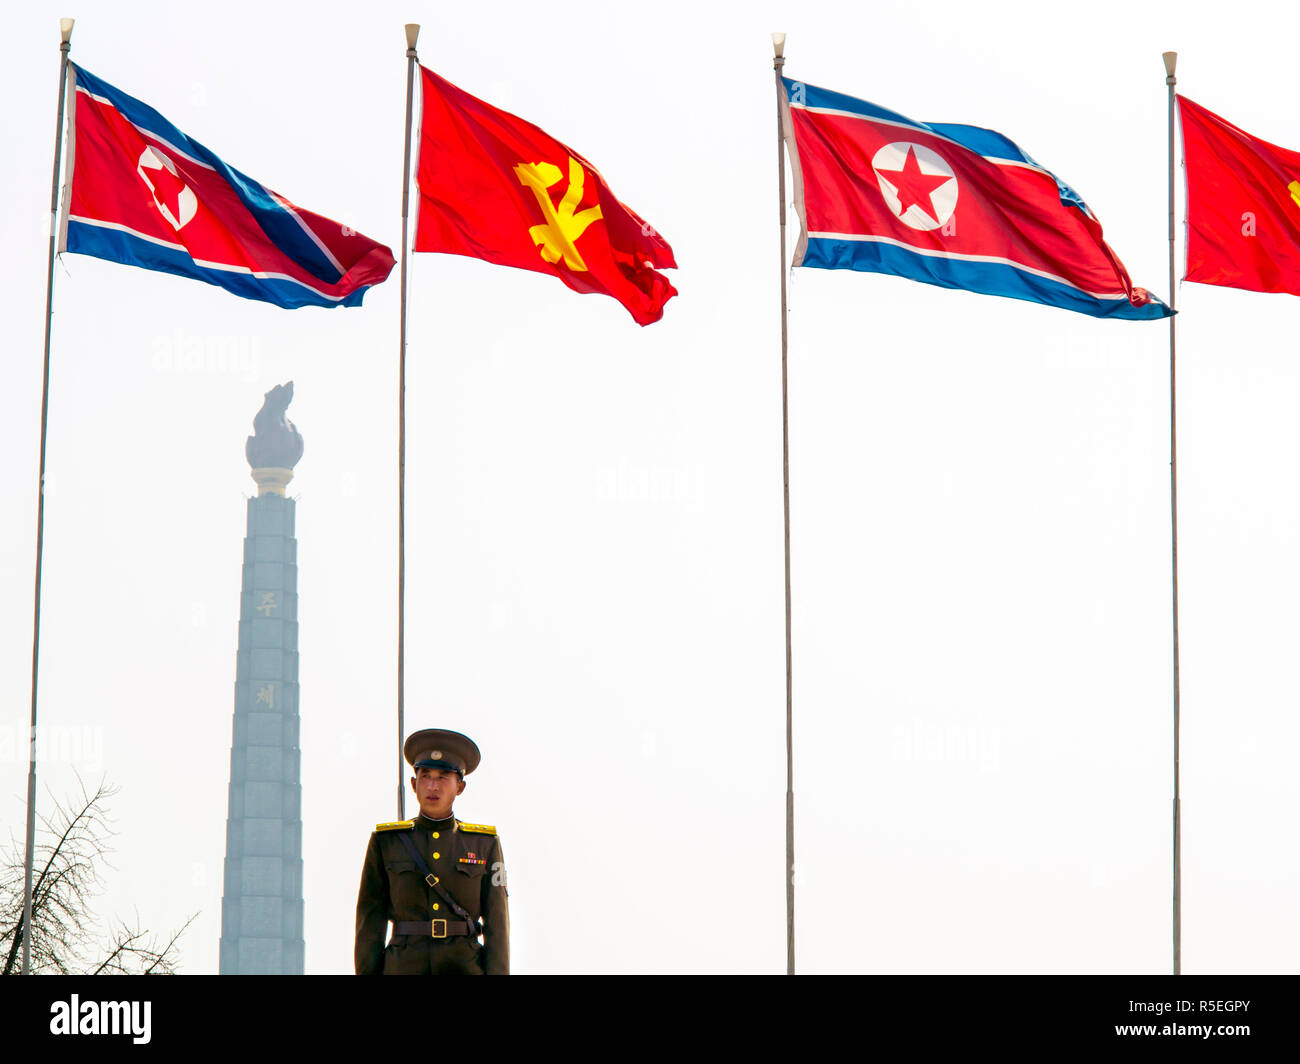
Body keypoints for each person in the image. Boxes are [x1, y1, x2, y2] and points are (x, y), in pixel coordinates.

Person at [354, 728, 509, 975]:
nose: (433, 786)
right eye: (425, 776)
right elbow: (369, 923)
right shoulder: (386, 843)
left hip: (463, 967)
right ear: (414, 784)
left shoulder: (484, 844)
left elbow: (497, 924)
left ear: (460, 787)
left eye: (443, 777)